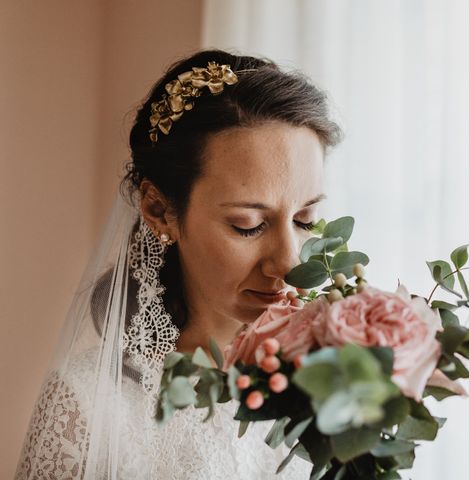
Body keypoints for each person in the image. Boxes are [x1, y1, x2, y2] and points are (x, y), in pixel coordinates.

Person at [15, 48, 342, 479]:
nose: (289, 262)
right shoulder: (87, 408)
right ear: (159, 210)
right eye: (248, 225)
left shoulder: (338, 375)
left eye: (305, 220)